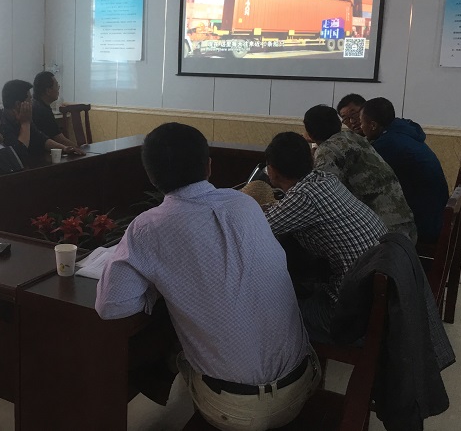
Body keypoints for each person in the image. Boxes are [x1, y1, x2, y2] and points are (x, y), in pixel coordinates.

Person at [96, 123, 320, 431]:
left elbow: (111, 307)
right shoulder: (245, 203)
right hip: (302, 383)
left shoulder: (148, 227)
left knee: (167, 341)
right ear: (209, 166)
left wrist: (157, 287)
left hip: (237, 410)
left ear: (150, 175)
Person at [264, 132, 387, 343]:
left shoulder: (304, 197)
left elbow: (254, 229)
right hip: (374, 300)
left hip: (348, 316)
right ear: (312, 159)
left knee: (265, 310)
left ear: (272, 171)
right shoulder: (325, 179)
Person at [304, 104, 417, 242]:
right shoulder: (353, 137)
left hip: (383, 234)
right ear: (339, 124)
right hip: (405, 225)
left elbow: (319, 196)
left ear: (310, 133)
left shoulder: (328, 150)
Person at [360, 97, 449, 244]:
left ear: (373, 125)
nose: (361, 127)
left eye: (361, 122)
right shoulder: (402, 132)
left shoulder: (388, 144)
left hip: (423, 224)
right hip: (436, 214)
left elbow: (365, 180)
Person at [0, 79, 83, 163]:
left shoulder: (23, 117)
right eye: (29, 100)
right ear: (18, 104)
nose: (32, 103)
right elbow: (19, 154)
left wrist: (64, 148)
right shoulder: (1, 124)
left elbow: (41, 139)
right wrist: (25, 124)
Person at [31, 71, 79, 148]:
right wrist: (79, 149)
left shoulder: (37, 104)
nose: (58, 89)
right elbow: (60, 139)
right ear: (48, 91)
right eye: (57, 85)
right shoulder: (41, 110)